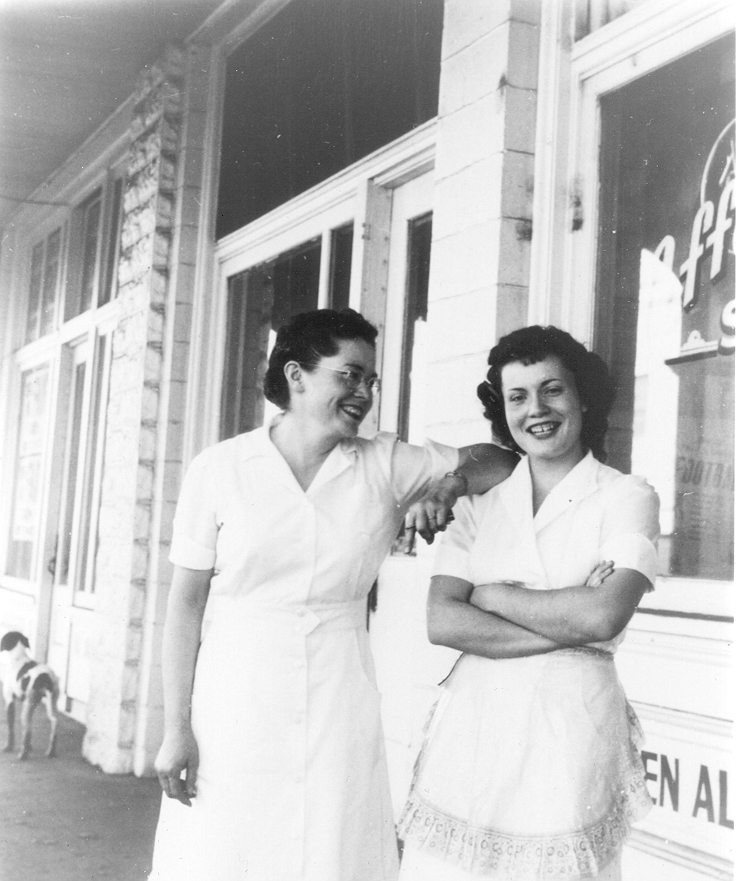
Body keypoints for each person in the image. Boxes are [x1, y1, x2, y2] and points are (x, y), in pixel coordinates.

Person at [148, 308, 517, 881]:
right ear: (296, 376)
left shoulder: (383, 464)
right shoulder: (220, 469)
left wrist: (450, 484)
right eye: (349, 375)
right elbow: (184, 606)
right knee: (228, 850)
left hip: (337, 691)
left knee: (329, 848)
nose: (365, 392)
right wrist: (176, 728)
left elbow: (502, 459)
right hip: (235, 699)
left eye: (371, 379)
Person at [398, 326, 660, 881]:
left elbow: (603, 614)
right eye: (517, 396)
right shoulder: (479, 501)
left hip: (572, 728)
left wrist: (490, 597)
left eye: (552, 390)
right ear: (502, 410)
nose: (536, 409)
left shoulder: (625, 495)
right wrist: (568, 619)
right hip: (473, 726)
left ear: (584, 396)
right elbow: (443, 619)